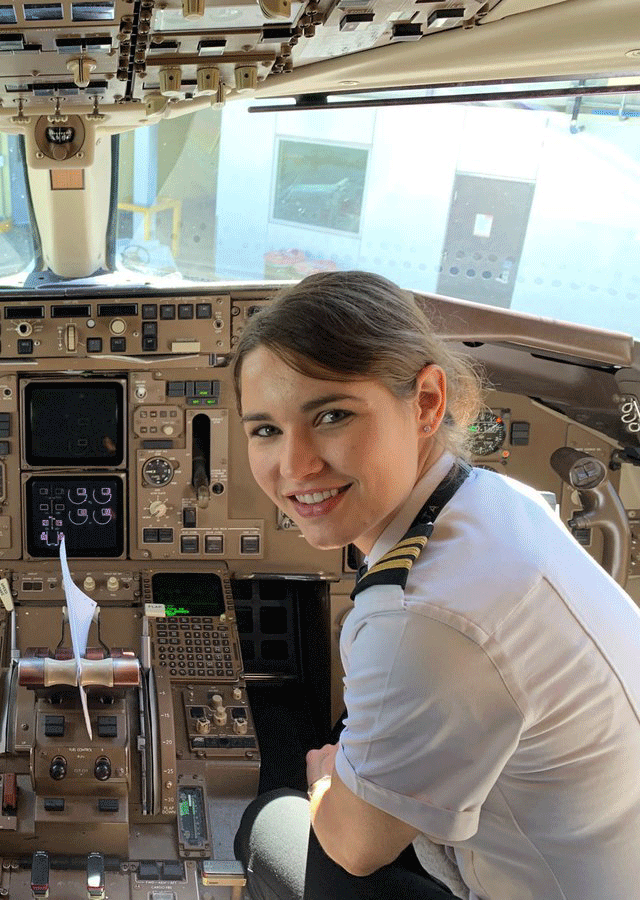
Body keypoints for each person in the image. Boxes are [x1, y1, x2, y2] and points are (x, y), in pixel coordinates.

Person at [231, 270, 640, 900]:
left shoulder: (424, 614)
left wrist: (322, 779)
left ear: (426, 402)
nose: (295, 465)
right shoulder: (500, 499)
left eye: (332, 415)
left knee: (268, 821)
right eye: (266, 430)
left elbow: (357, 846)